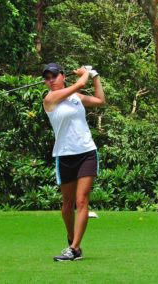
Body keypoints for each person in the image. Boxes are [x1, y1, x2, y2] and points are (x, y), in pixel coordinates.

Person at [42, 62, 106, 261]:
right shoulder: (50, 99)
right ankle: (71, 238)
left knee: (81, 200)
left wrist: (94, 76)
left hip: (86, 152)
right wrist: (84, 74)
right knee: (67, 204)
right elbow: (79, 85)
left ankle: (75, 248)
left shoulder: (76, 98)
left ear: (63, 76)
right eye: (47, 78)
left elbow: (100, 100)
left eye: (54, 76)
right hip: (64, 155)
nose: (51, 81)